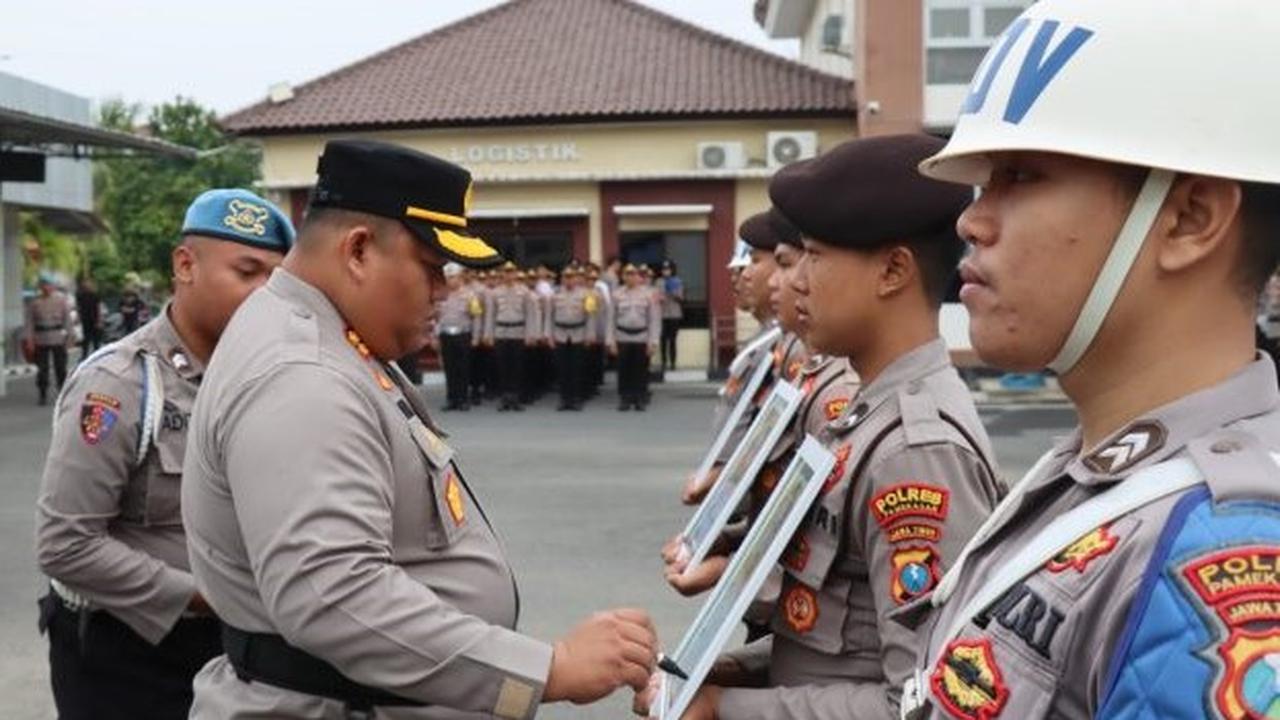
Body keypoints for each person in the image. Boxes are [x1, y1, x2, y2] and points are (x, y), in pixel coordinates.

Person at [890, 3, 1280, 719]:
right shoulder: (1099, 474)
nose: (971, 220)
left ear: (1189, 220)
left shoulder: (1229, 545)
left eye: (1022, 176)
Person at [181, 140, 657, 719]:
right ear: (358, 249)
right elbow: (333, 595)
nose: (443, 292)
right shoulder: (304, 376)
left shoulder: (323, 334)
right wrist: (548, 669)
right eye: (433, 270)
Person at [656, 135, 1005, 720]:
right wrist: (734, 670)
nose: (792, 283)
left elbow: (922, 701)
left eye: (814, 257)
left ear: (893, 270)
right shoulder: (866, 415)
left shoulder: (915, 451)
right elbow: (843, 640)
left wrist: (727, 709)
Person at [34, 189, 293, 720]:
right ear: (185, 265)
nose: (264, 293)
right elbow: (65, 544)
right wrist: (209, 596)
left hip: (238, 646)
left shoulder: (266, 379)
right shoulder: (118, 384)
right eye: (247, 272)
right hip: (124, 656)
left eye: (275, 278)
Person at [485, 261, 541, 411]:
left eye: (511, 272)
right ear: (502, 275)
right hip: (501, 332)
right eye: (506, 272)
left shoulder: (524, 291)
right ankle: (505, 397)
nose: (508, 275)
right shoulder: (495, 292)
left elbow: (531, 315)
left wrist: (531, 334)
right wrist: (488, 335)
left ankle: (515, 397)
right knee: (502, 367)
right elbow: (490, 315)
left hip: (518, 332)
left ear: (515, 274)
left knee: (517, 367)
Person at [609, 263, 661, 411]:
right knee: (624, 369)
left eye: (633, 274)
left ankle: (639, 398)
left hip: (642, 337)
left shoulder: (648, 295)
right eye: (627, 274)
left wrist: (653, 341)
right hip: (622, 336)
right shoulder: (616, 294)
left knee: (641, 370)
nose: (631, 277)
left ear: (638, 277)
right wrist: (611, 341)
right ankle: (625, 399)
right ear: (623, 276)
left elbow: (653, 320)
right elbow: (610, 320)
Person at [547, 263, 598, 411]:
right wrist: (548, 336)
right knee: (562, 369)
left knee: (577, 369)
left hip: (579, 334)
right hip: (560, 334)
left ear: (576, 279)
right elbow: (549, 317)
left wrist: (590, 335)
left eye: (571, 277)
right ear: (562, 279)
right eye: (565, 277)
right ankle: (564, 399)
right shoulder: (555, 295)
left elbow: (591, 317)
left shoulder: (586, 295)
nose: (568, 280)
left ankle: (576, 398)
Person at [434, 262, 482, 411]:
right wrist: (435, 336)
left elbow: (477, 316)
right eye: (447, 277)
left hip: (463, 334)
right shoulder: (441, 295)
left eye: (453, 277)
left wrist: (476, 336)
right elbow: (436, 317)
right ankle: (451, 399)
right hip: (445, 334)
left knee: (463, 368)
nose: (450, 280)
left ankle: (463, 399)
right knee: (449, 368)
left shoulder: (470, 295)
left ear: (460, 277)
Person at [25, 273, 73, 406]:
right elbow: (29, 323)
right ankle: (42, 393)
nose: (46, 288)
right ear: (40, 287)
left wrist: (70, 337)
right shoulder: (34, 302)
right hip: (41, 339)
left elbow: (67, 320)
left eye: (48, 285)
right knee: (42, 369)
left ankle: (63, 394)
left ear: (53, 286)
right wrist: (29, 340)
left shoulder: (61, 300)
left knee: (60, 368)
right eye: (43, 285)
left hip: (57, 337)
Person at [659, 259, 684, 371]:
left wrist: (673, 292)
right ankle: (664, 363)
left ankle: (673, 363)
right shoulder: (658, 282)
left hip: (674, 315)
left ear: (672, 270)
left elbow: (681, 298)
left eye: (668, 269)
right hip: (662, 315)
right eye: (664, 269)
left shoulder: (677, 281)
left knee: (672, 340)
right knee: (663, 340)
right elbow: (655, 297)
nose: (666, 271)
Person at [75, 277, 103, 357]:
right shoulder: (80, 295)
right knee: (85, 339)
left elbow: (98, 307)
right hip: (85, 319)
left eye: (88, 283)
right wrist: (78, 317)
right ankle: (84, 355)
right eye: (85, 283)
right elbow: (78, 307)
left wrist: (99, 320)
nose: (86, 285)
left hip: (94, 318)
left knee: (96, 340)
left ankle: (97, 355)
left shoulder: (95, 295)